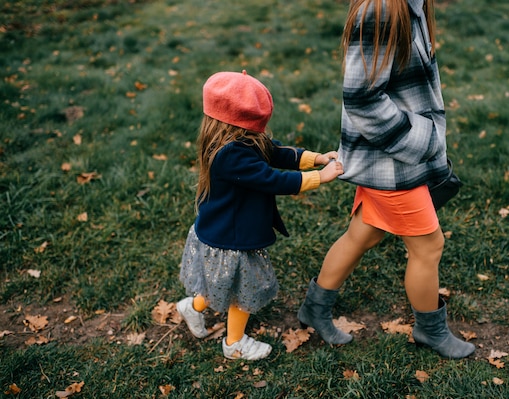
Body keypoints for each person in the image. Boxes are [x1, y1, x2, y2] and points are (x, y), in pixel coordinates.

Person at [297, 0, 475, 359]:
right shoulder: (381, 9)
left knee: (364, 232)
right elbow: (361, 98)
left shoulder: (412, 4)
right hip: (392, 162)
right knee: (428, 247)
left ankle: (314, 308)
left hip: (390, 159)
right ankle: (431, 330)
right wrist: (418, 139)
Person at [177, 70, 344, 361]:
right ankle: (234, 344)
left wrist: (316, 158)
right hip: (233, 239)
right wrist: (320, 177)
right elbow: (272, 179)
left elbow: (277, 152)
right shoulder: (231, 155)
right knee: (243, 292)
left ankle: (193, 307)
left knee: (222, 286)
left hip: (225, 230)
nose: (261, 133)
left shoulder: (240, 140)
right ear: (238, 125)